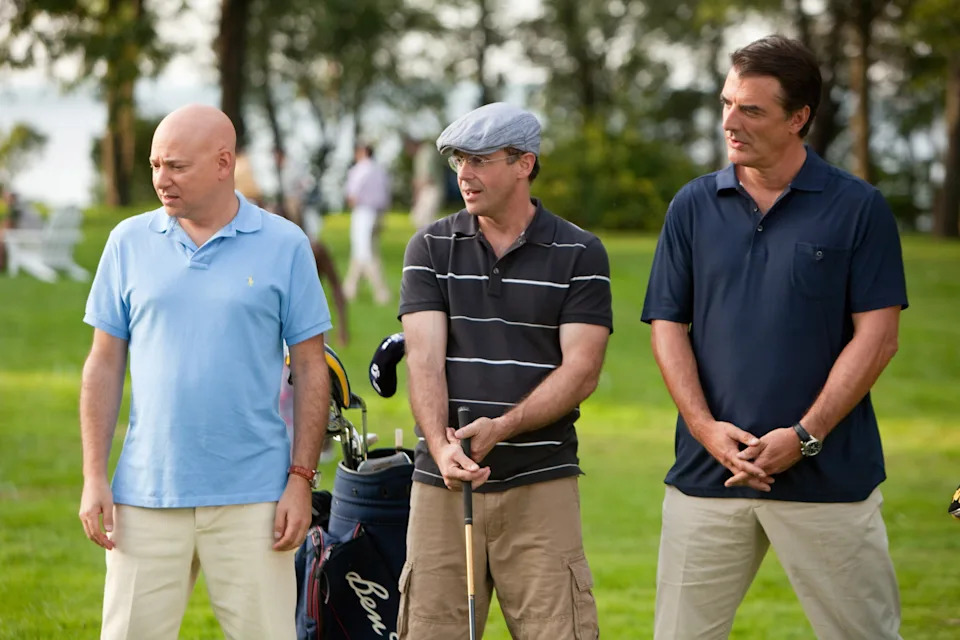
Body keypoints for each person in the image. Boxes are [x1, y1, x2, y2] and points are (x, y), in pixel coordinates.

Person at [641, 35, 908, 640]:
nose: (730, 123)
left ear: (799, 118)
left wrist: (805, 437)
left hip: (829, 479)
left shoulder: (858, 208)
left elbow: (879, 337)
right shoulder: (691, 206)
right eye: (727, 103)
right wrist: (707, 430)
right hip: (708, 476)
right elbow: (666, 325)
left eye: (751, 110)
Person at [78, 104, 333, 640]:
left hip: (255, 496)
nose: (160, 181)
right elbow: (103, 363)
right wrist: (94, 476)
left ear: (223, 163)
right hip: (145, 494)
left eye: (175, 166)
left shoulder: (285, 244)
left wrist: (301, 481)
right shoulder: (127, 241)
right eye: (154, 166)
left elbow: (312, 367)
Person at [397, 102, 611, 639]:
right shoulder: (430, 247)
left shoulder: (580, 253)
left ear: (523, 163)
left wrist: (502, 428)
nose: (464, 175)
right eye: (457, 162)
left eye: (479, 160)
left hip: (542, 485)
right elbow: (423, 361)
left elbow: (582, 371)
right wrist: (442, 447)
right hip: (441, 486)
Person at [343, 143, 392, 305]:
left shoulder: (360, 169)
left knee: (364, 252)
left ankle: (381, 292)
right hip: (378, 213)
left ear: (363, 152)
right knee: (366, 250)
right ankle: (349, 289)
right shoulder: (379, 170)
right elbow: (386, 194)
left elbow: (352, 194)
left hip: (363, 212)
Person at [405, 136, 445, 229]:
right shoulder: (420, 155)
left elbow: (428, 178)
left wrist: (417, 184)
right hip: (425, 190)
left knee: (425, 220)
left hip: (431, 189)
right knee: (418, 219)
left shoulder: (426, 152)